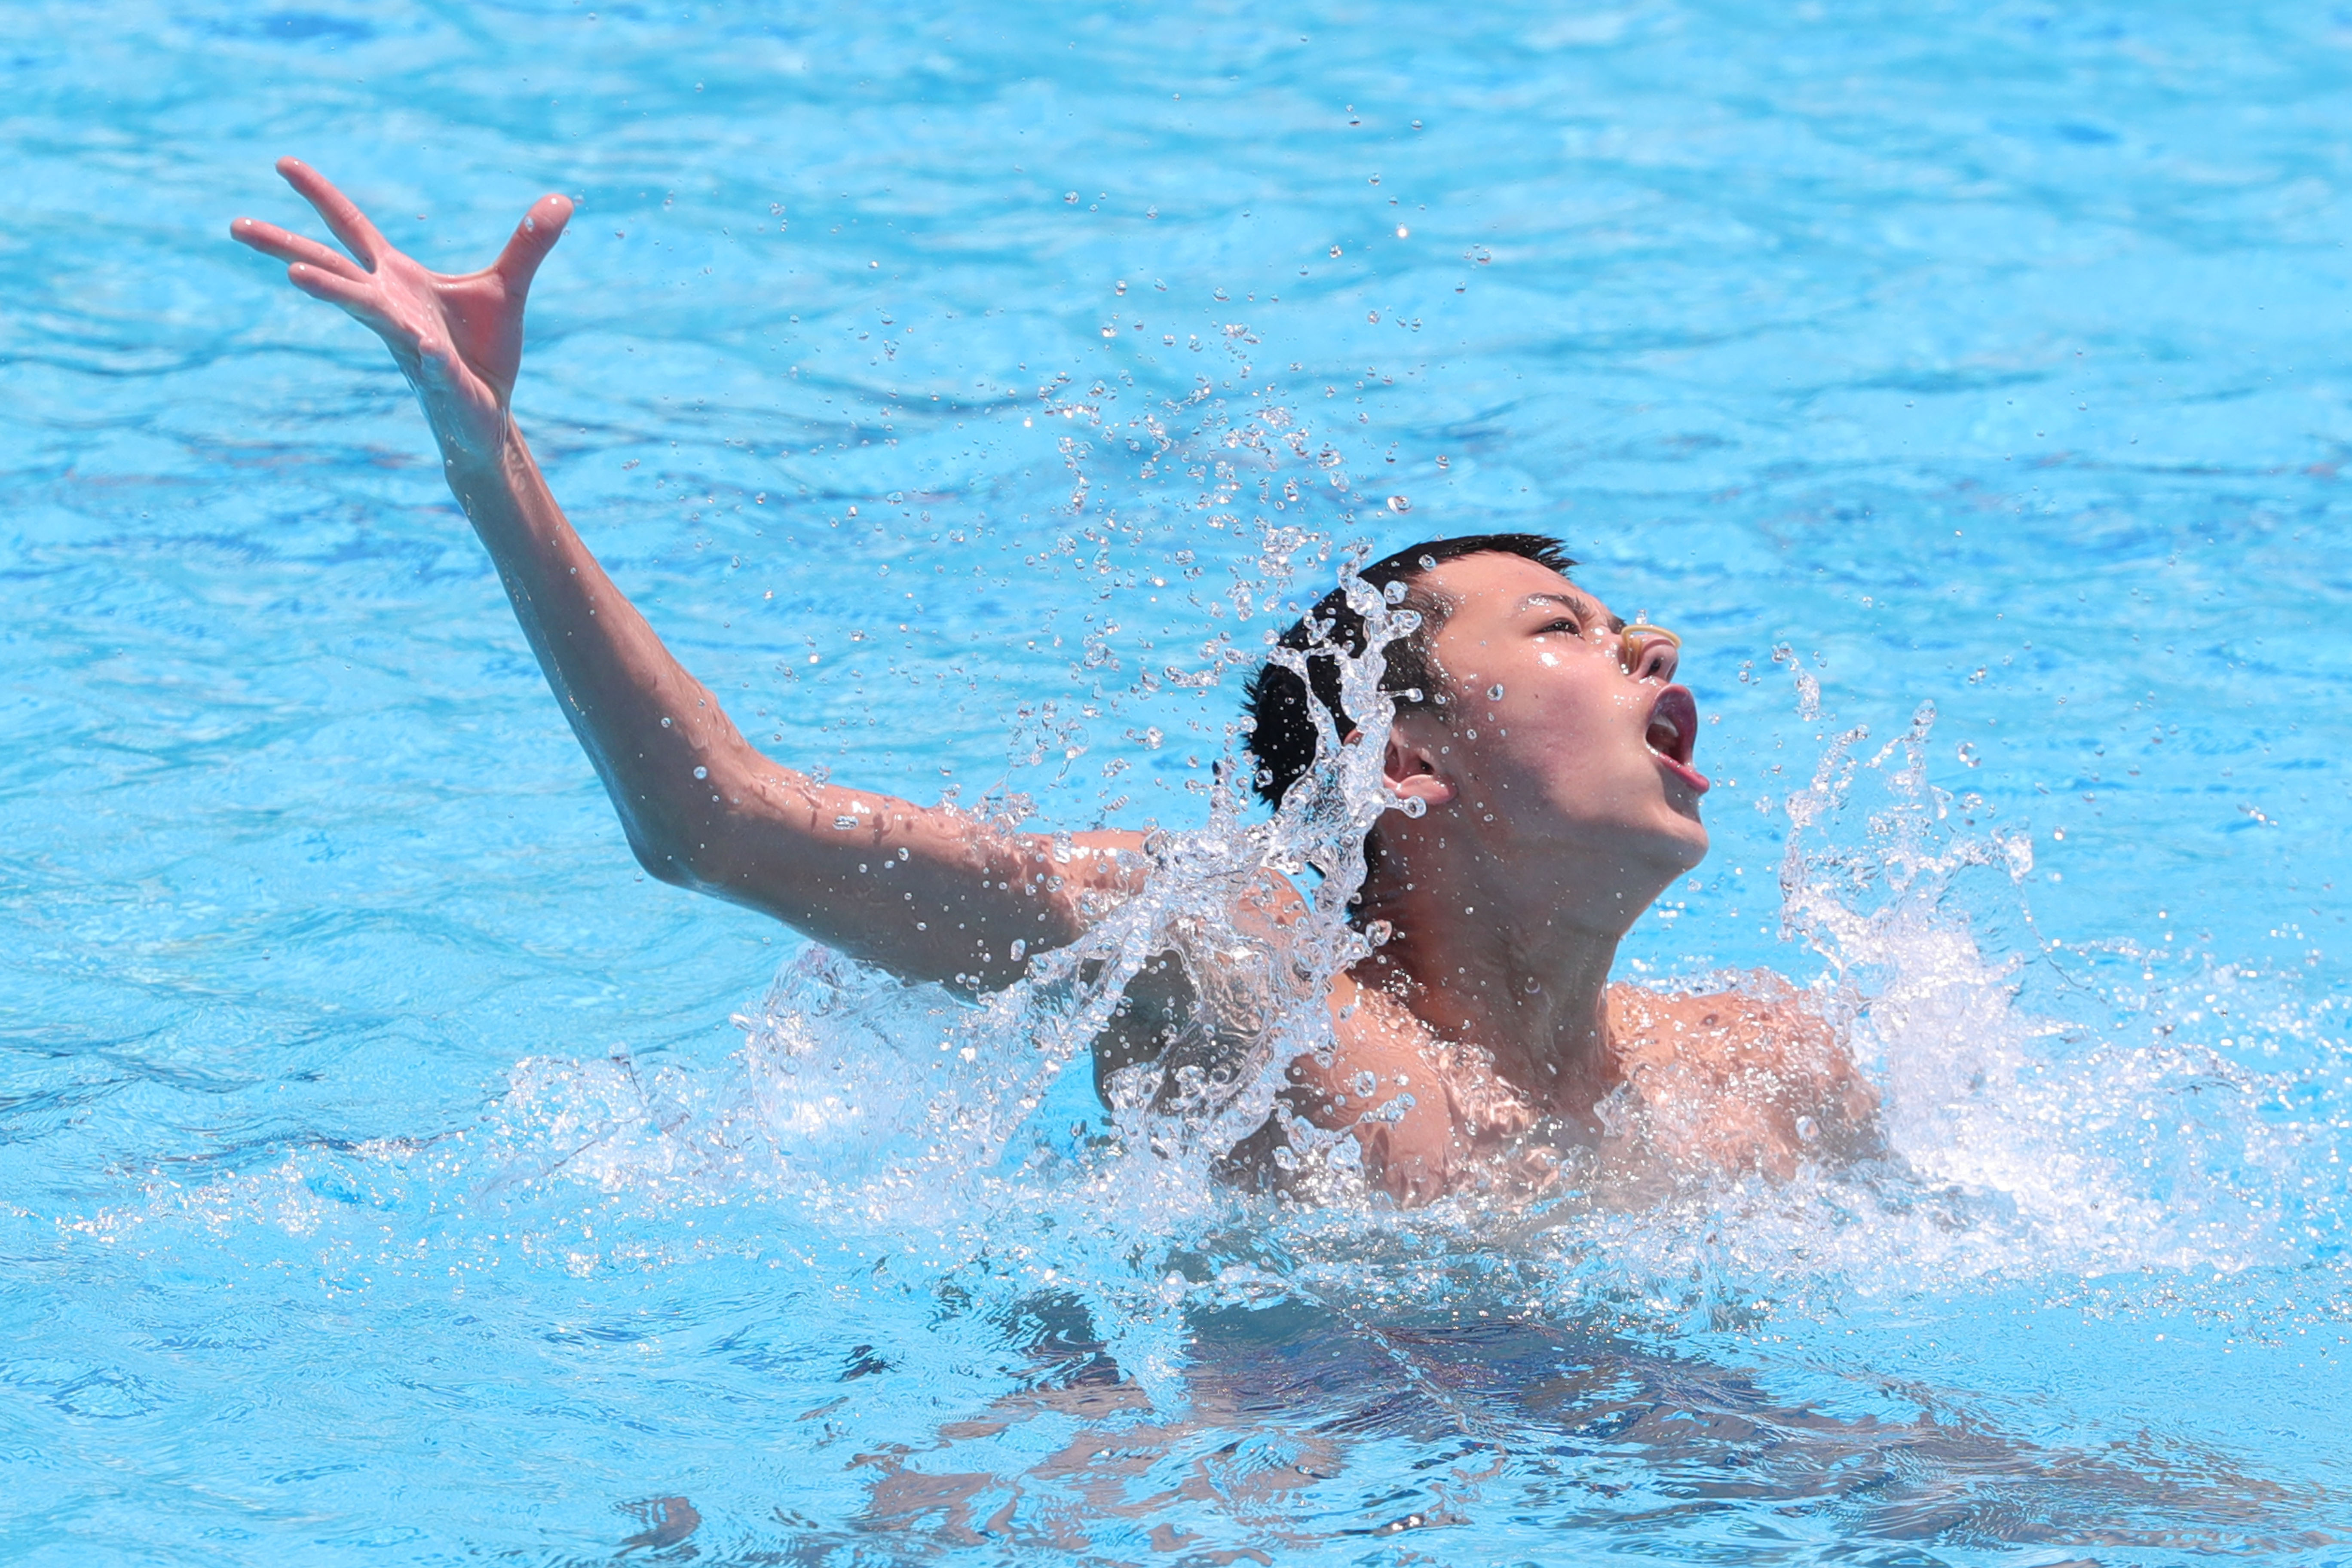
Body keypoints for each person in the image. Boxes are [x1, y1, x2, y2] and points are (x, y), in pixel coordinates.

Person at [232, 161, 1879, 1206]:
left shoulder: (1770, 1080)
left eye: (1623, 626)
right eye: (1559, 629)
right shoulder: (1248, 994)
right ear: (1407, 765)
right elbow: (716, 826)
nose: (1647, 644)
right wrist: (492, 459)